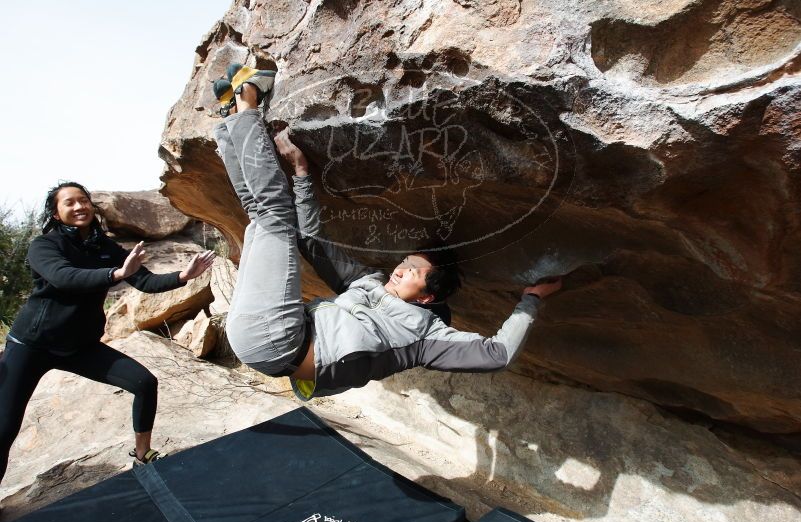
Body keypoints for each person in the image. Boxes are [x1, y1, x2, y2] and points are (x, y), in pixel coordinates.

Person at [211, 73, 562, 402]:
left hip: (280, 342)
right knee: (262, 215)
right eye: (405, 262)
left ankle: (247, 104)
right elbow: (312, 242)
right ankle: (230, 121)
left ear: (427, 297)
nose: (400, 268)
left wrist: (530, 300)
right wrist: (302, 174)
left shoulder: (423, 337)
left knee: (274, 212)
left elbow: (497, 354)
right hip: (271, 331)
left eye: (413, 271)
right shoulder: (366, 283)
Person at [0, 182, 215, 486]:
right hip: (33, 345)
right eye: (70, 203)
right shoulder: (44, 246)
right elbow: (64, 278)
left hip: (80, 346)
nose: (79, 207)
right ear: (57, 214)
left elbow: (145, 282)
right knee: (4, 428)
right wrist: (115, 274)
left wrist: (183, 276)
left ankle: (142, 456)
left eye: (83, 200)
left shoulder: (106, 247)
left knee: (144, 383)